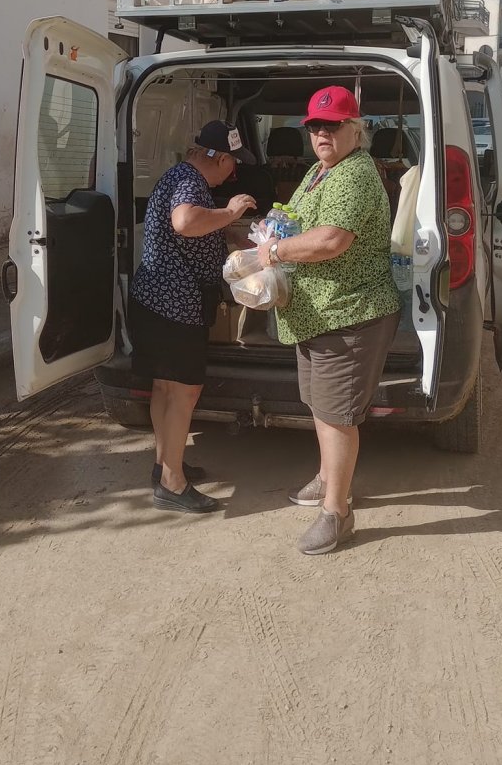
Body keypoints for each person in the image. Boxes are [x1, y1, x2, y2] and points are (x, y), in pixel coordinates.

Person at [257, 86, 400, 555]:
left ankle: (337, 513)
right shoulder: (321, 171)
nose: (321, 133)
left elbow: (331, 240)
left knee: (337, 416)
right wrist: (264, 231)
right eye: (315, 126)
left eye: (332, 124)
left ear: (353, 129)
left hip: (349, 312)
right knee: (320, 405)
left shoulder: (353, 174)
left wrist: (273, 251)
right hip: (317, 313)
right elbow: (295, 218)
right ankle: (326, 478)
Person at [131, 121, 256, 514]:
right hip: (175, 305)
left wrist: (226, 235)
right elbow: (185, 222)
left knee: (165, 389)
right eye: (232, 166)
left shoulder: (180, 177)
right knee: (183, 391)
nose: (232, 174)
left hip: (155, 302)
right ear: (216, 158)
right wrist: (230, 211)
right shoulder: (189, 181)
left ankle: (164, 466)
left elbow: (188, 229)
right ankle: (172, 484)